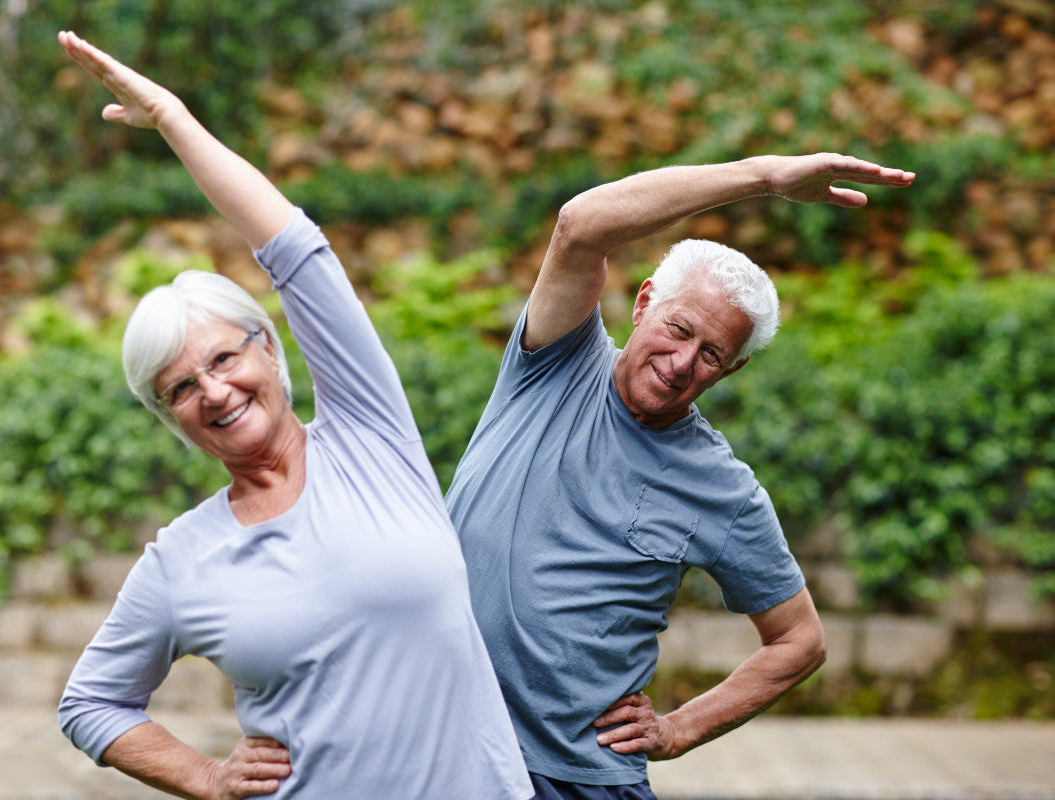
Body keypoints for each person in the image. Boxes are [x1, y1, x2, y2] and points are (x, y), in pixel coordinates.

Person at [54, 31, 532, 800]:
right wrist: (205, 776)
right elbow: (90, 704)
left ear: (270, 351)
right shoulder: (182, 562)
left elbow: (297, 252)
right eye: (179, 389)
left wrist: (175, 120)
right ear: (170, 418)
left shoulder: (370, 437)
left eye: (223, 359)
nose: (212, 392)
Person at [444, 154, 915, 799]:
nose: (681, 362)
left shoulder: (723, 488)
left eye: (712, 353)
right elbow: (581, 223)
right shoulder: (556, 361)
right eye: (679, 329)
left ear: (731, 371)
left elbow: (799, 642)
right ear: (644, 304)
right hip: (443, 745)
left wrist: (678, 730)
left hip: (575, 778)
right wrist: (765, 175)